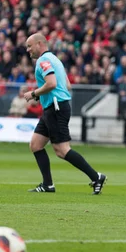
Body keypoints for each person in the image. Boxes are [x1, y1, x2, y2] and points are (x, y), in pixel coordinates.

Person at [23, 33, 107, 194]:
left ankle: (96, 177)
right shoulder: (56, 60)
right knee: (36, 144)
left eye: (29, 46)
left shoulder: (43, 61)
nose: (28, 50)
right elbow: (67, 85)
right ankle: (48, 185)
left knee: (61, 150)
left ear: (40, 44)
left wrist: (34, 93)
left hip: (56, 107)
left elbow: (52, 83)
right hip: (53, 107)